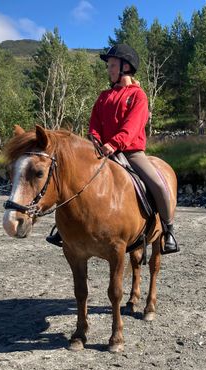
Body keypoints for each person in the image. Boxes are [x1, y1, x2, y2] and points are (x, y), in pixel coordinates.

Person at [47, 44, 179, 254]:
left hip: (131, 153)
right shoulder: (103, 97)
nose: (108, 69)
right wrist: (97, 141)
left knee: (159, 185)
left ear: (125, 67)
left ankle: (168, 230)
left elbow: (132, 126)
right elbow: (94, 125)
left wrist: (114, 144)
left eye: (112, 65)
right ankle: (64, 229)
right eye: (108, 66)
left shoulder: (138, 96)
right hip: (102, 151)